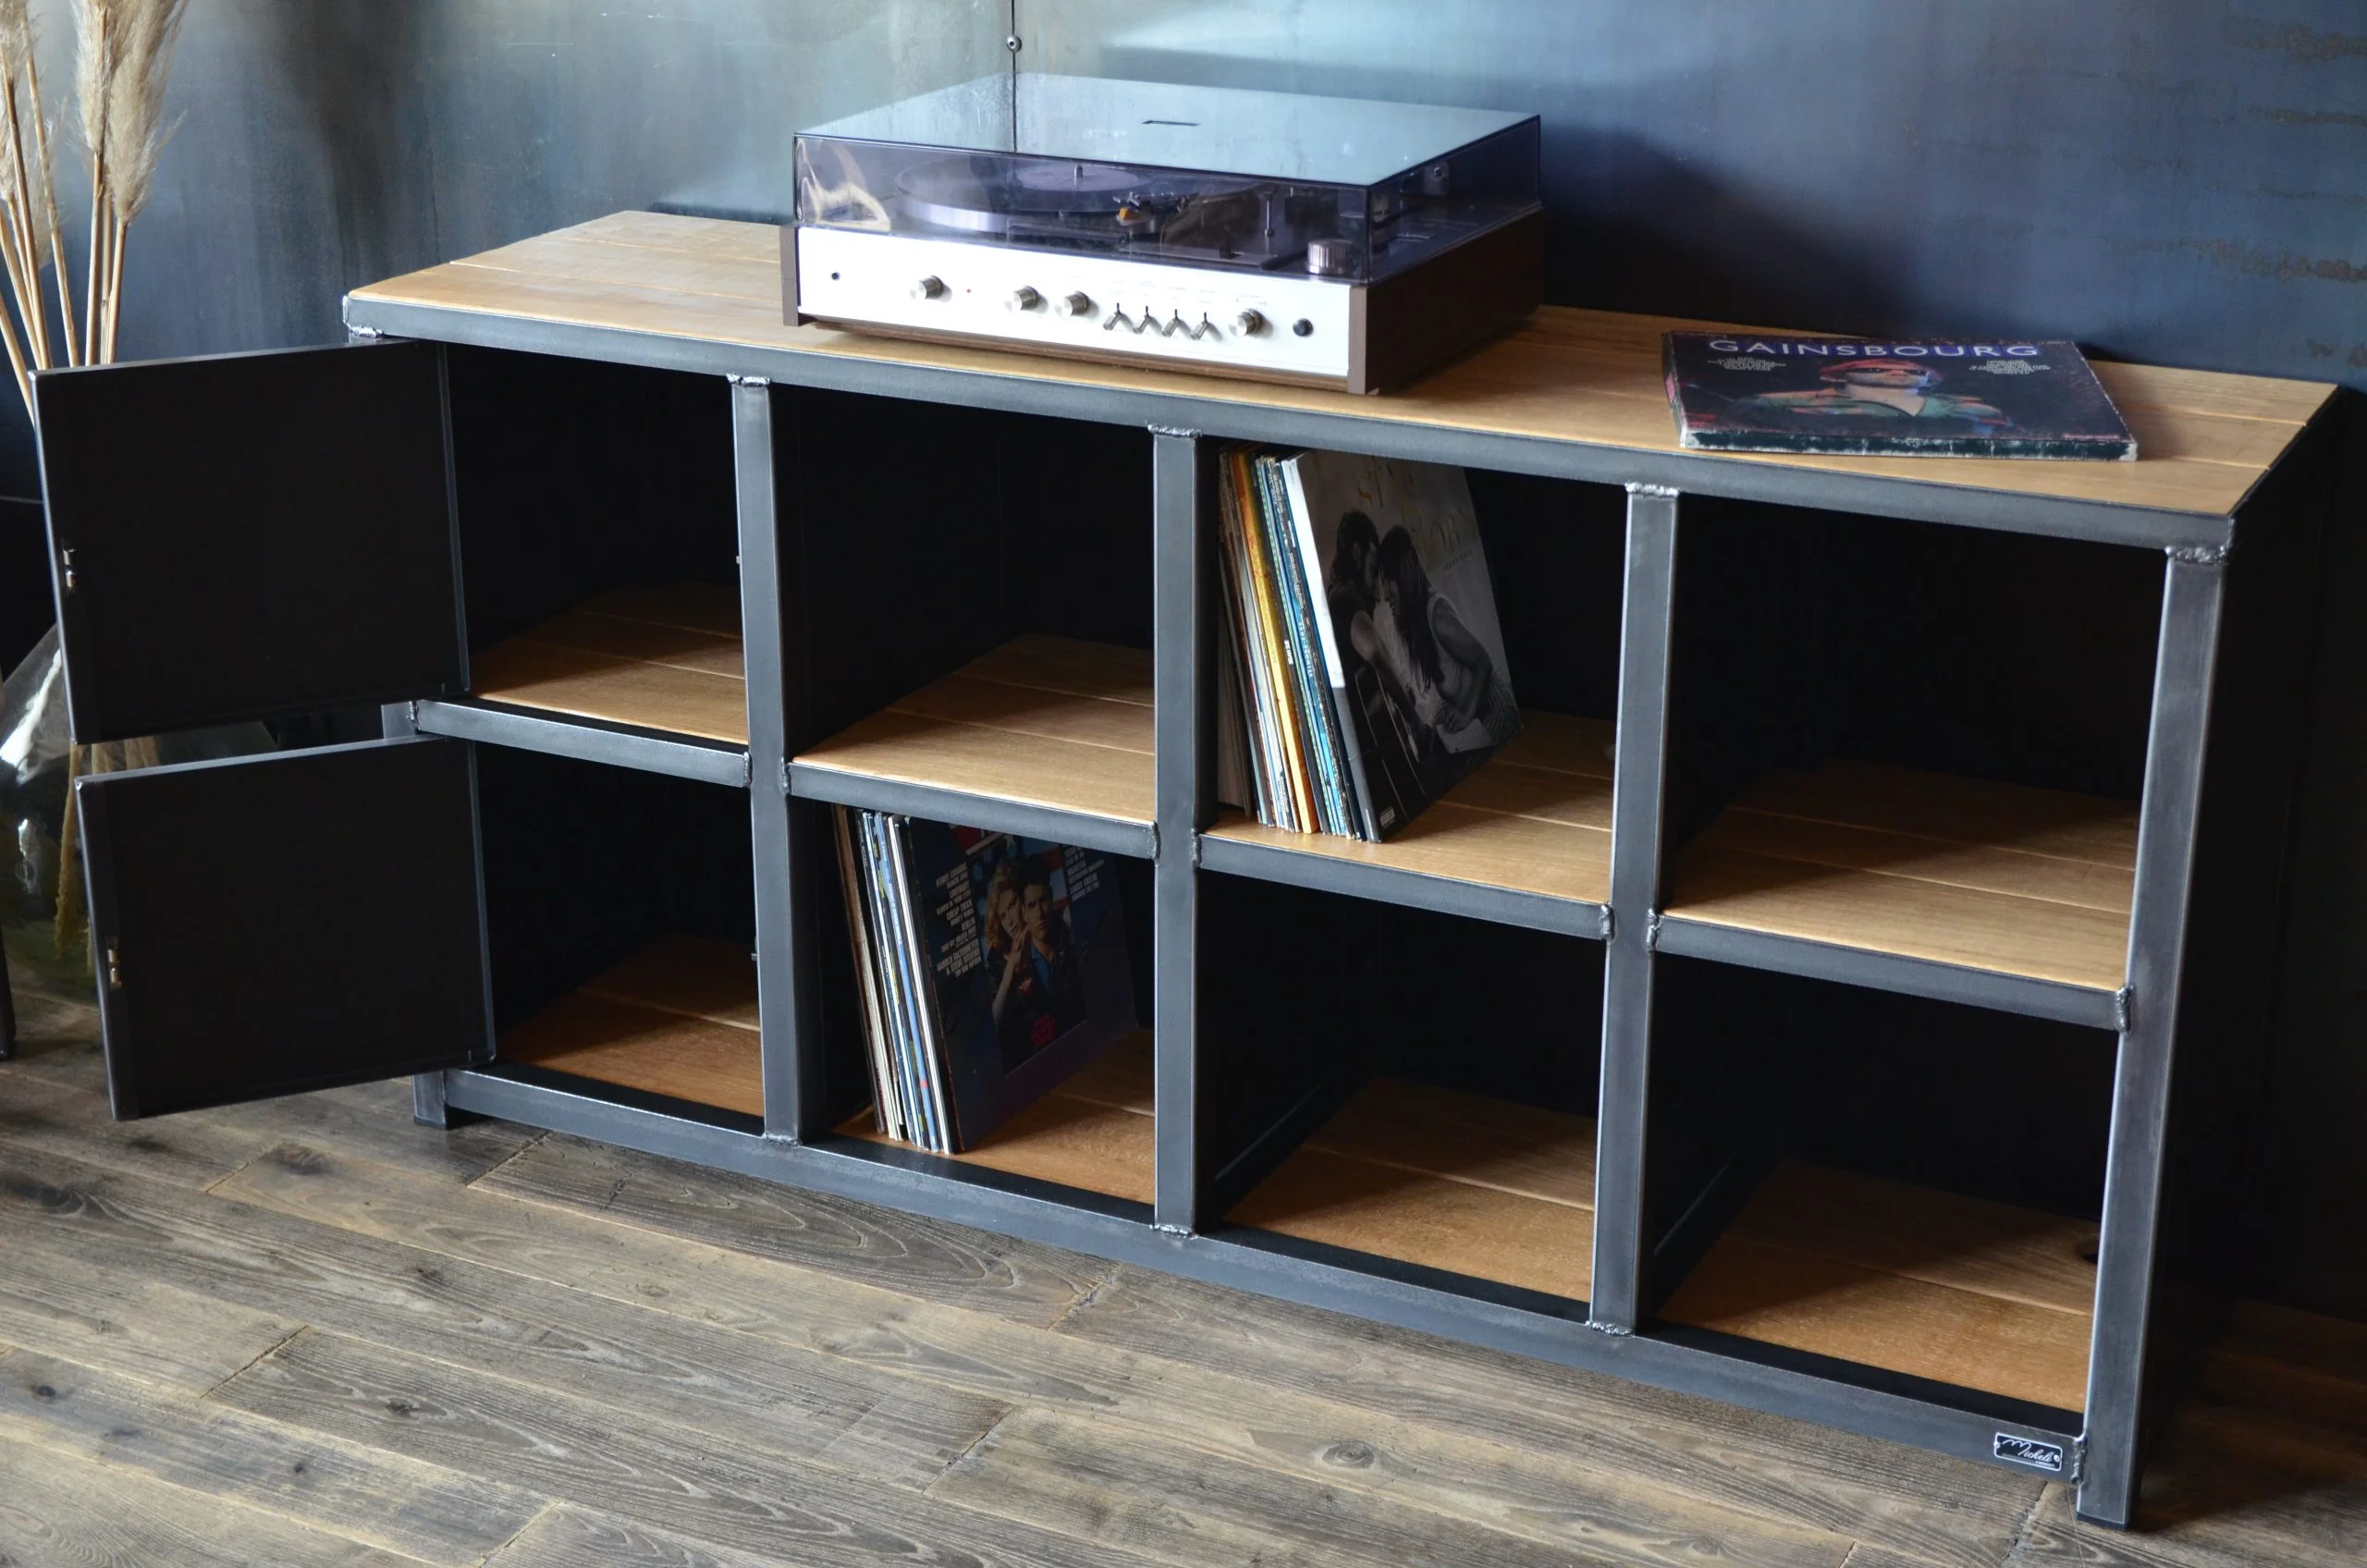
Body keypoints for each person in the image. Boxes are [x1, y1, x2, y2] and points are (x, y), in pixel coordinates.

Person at [1351, 523, 1520, 758]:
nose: (1385, 595)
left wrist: (1465, 715)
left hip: (1498, 712)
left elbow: (1483, 662)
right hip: (1477, 722)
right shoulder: (1417, 624)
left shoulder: (1437, 615)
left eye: (1388, 579)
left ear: (1403, 576)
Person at [1726, 359, 2012, 429]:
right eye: (1877, 369)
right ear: (1837, 375)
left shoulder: (1971, 407)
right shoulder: (1778, 402)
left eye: (1914, 371)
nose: (1898, 372)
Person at [989, 859, 1085, 1068]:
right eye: (1003, 916)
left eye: (1012, 906)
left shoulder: (1061, 933)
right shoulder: (1000, 964)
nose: (1010, 921)